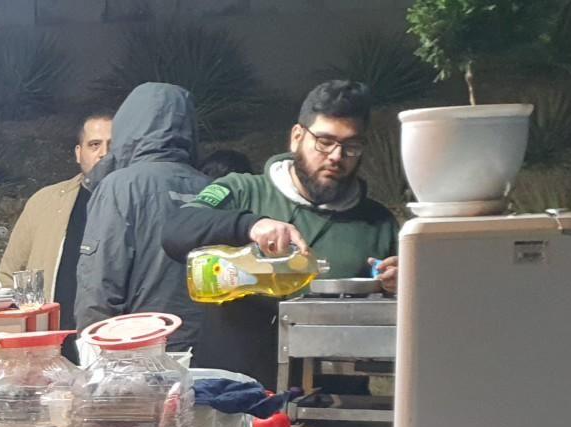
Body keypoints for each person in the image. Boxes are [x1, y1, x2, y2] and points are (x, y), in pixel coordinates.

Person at [161, 80, 400, 384]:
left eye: (351, 146)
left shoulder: (378, 223)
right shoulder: (243, 190)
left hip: (331, 396)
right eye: (324, 141)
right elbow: (175, 230)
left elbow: (402, 318)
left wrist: (400, 287)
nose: (336, 156)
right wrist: (250, 225)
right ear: (297, 137)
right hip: (234, 391)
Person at [74, 84, 213, 347]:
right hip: (202, 347)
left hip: (137, 350)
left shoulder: (120, 187)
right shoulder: (212, 188)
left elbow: (99, 281)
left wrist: (93, 352)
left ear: (128, 125)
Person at [0, 112, 112, 329]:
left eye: (112, 145)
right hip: (50, 338)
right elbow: (9, 275)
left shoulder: (135, 206)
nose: (103, 153)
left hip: (111, 339)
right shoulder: (45, 202)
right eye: (94, 145)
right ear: (78, 153)